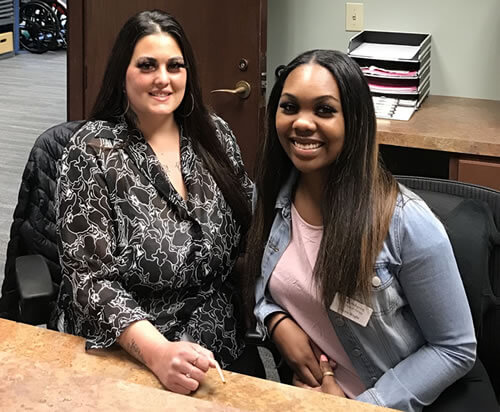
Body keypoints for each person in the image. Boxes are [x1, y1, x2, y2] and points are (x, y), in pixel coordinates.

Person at [247, 49, 480, 411]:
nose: (302, 123)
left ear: (355, 121)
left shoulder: (405, 222)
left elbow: (455, 348)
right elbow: (262, 285)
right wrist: (276, 321)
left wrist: (362, 405)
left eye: (324, 110)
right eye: (289, 107)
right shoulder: (271, 196)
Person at [55, 9, 263, 395]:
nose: (163, 79)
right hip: (128, 347)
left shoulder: (214, 134)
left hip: (219, 342)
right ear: (123, 73)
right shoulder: (93, 150)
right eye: (147, 65)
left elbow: (252, 231)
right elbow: (89, 281)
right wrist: (158, 353)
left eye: (175, 66)